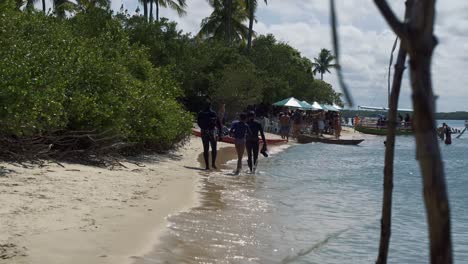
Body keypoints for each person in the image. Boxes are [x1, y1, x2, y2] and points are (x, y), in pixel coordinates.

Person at [197, 100, 222, 170]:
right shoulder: (212, 113)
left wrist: (203, 127)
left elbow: (198, 122)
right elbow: (219, 123)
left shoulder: (201, 113)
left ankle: (208, 166)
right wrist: (220, 133)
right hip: (211, 131)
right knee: (213, 148)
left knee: (206, 149)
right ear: (210, 106)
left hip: (204, 131)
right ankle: (212, 164)